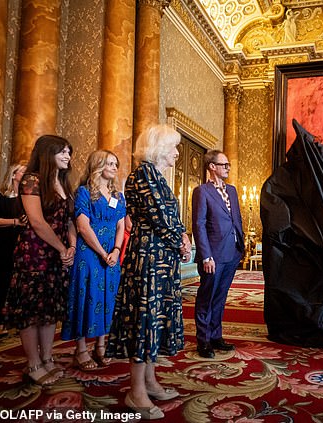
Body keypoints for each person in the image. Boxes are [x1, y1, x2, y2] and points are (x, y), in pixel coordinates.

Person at [105, 124, 191, 420]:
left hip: (161, 258)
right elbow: (161, 217)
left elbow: (169, 219)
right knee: (144, 320)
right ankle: (135, 390)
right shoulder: (142, 174)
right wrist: (181, 239)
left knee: (155, 320)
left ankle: (150, 381)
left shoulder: (157, 176)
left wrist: (181, 239)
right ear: (158, 148)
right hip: (148, 258)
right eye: (174, 147)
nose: (177, 153)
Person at [4, 135, 76, 386]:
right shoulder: (32, 179)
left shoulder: (64, 183)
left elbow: (69, 221)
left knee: (49, 309)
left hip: (58, 253)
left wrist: (72, 247)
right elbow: (36, 222)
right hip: (34, 252)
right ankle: (33, 363)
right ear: (48, 153)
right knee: (31, 310)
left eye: (69, 152)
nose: (68, 156)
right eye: (63, 151)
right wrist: (60, 248)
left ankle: (47, 358)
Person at [61, 150, 126, 370]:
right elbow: (82, 226)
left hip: (112, 254)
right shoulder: (84, 192)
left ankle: (101, 346)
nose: (114, 167)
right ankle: (80, 351)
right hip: (89, 253)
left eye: (116, 164)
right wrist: (101, 252)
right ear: (98, 165)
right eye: (109, 163)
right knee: (85, 296)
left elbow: (120, 226)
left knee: (108, 298)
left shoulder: (118, 196)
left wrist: (116, 250)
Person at [192, 150, 244, 359]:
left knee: (220, 298)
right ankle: (203, 340)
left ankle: (216, 336)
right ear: (212, 166)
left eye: (228, 164)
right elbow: (199, 224)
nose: (228, 168)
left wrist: (241, 247)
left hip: (232, 253)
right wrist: (206, 255)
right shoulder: (201, 191)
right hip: (213, 255)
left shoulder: (231, 190)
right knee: (207, 297)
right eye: (224, 164)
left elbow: (236, 219)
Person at [0, 163, 28, 338]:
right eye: (23, 172)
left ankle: (18, 321)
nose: (25, 175)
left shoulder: (27, 197)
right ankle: (0, 323)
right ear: (13, 174)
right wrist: (16, 221)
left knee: (20, 287)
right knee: (3, 286)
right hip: (3, 247)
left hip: (23, 248)